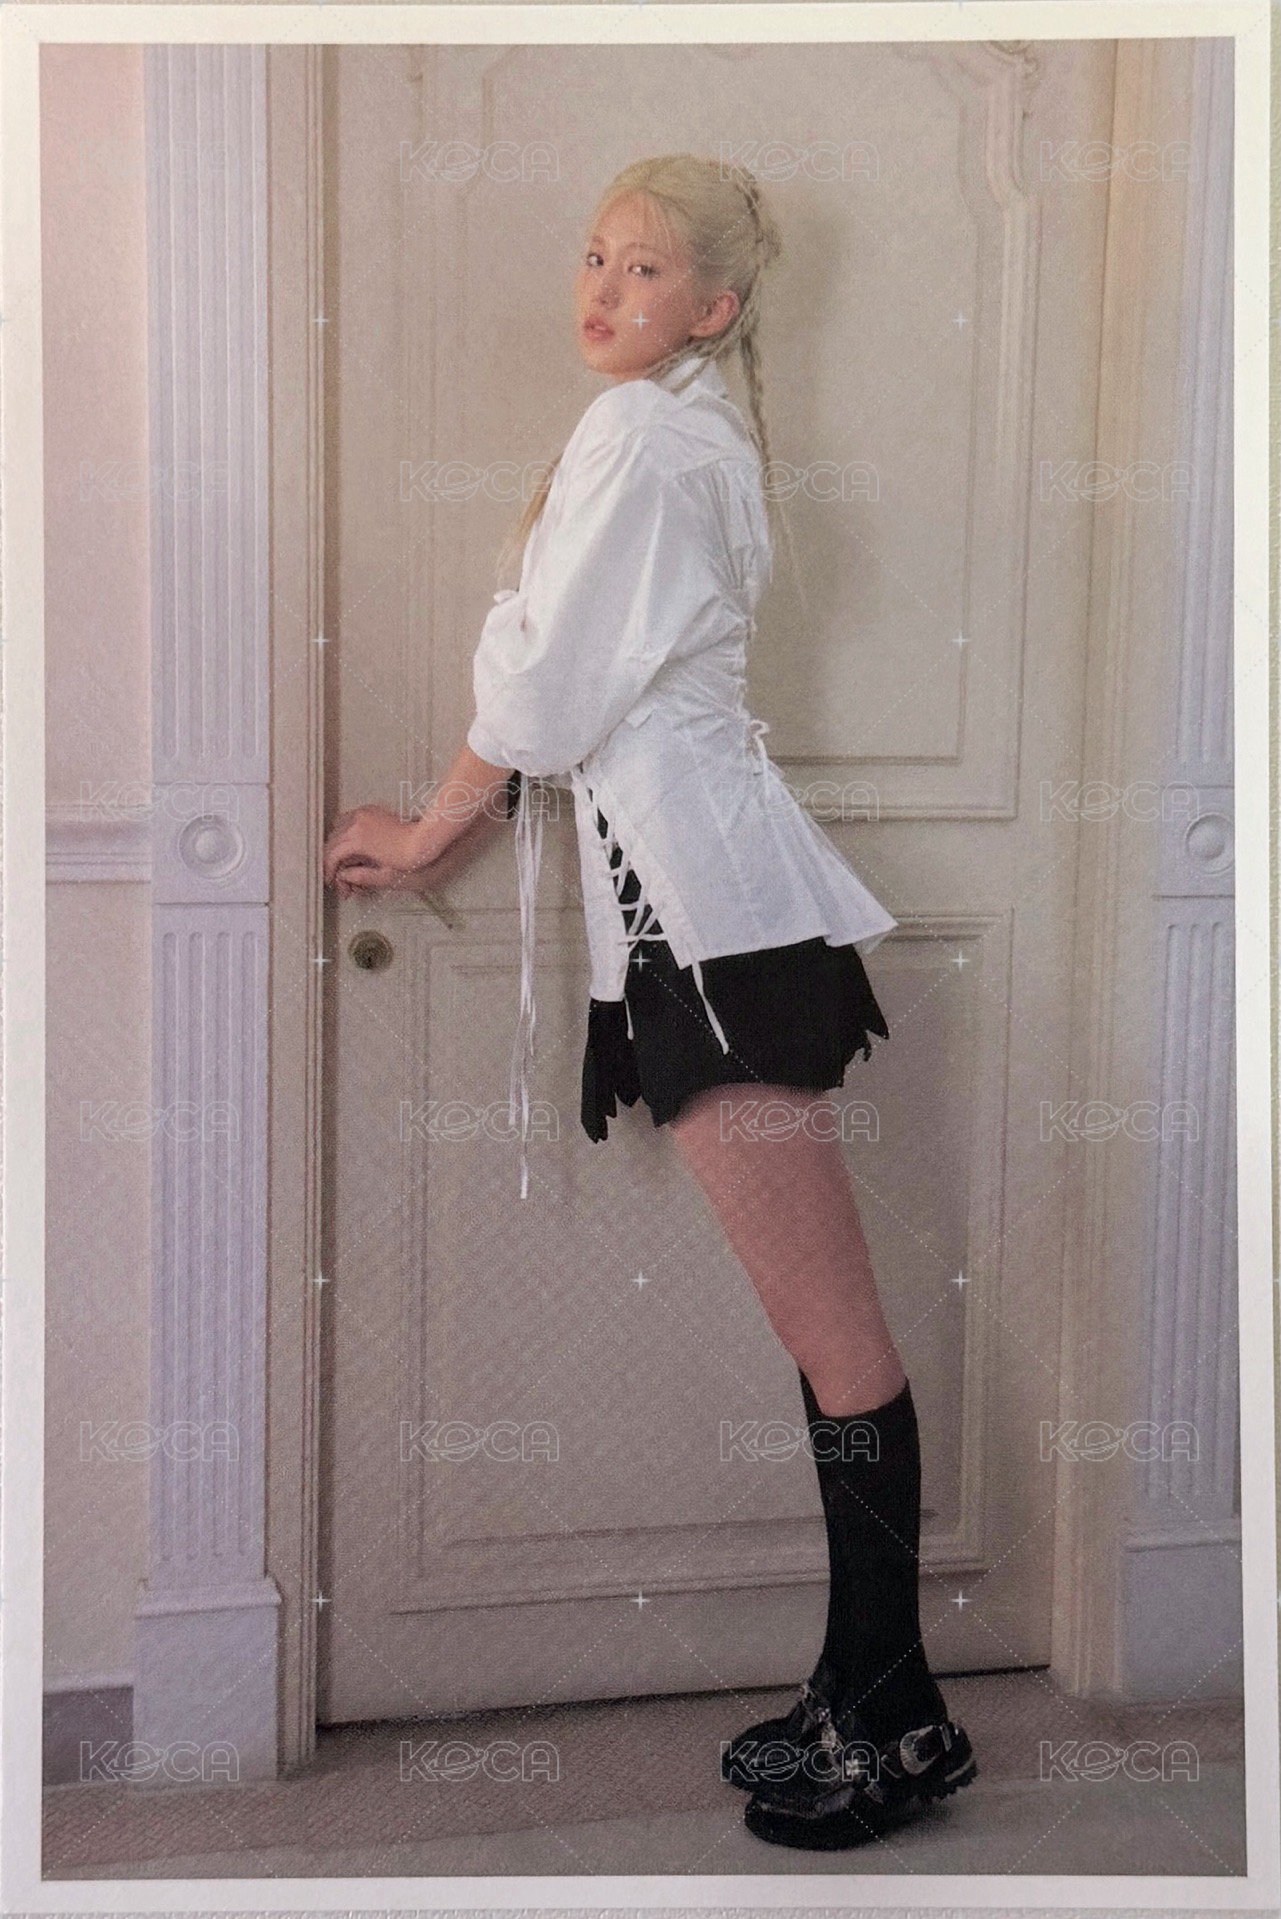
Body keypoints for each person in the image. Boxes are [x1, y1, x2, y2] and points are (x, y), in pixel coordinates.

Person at [322, 153, 976, 1852]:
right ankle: (863, 1688)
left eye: (648, 268)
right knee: (823, 1334)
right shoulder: (680, 433)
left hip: (715, 932)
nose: (605, 291)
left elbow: (546, 687)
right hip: (701, 921)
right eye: (595, 257)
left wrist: (427, 829)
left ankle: (896, 1719)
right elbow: (580, 680)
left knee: (837, 1339)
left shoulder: (643, 437)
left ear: (716, 307)